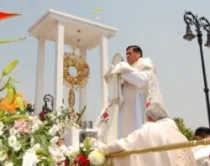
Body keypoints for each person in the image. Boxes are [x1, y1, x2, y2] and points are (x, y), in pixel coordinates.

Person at [94, 107, 196, 166]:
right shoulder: (181, 136)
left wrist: (99, 147)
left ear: (149, 118)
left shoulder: (150, 128)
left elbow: (123, 146)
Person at [118, 45, 167, 138]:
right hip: (126, 104)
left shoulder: (145, 63)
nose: (127, 56)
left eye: (130, 53)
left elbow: (143, 80)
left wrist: (124, 73)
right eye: (126, 54)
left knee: (139, 131)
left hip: (140, 102)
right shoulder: (126, 68)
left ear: (138, 54)